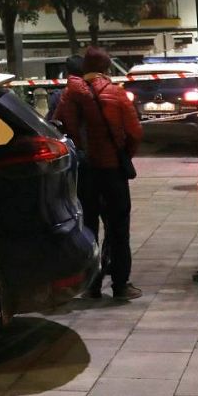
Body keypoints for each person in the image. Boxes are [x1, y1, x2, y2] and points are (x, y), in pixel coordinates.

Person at [52, 46, 143, 301]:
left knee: (87, 227)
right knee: (118, 228)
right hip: (112, 170)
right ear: (107, 68)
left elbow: (59, 126)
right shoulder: (116, 94)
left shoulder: (69, 95)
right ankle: (120, 284)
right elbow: (135, 133)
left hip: (84, 171)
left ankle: (90, 285)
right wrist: (124, 154)